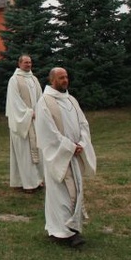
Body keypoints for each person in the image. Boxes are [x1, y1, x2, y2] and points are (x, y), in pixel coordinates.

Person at [34, 67, 96, 247]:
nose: (65, 80)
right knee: (61, 195)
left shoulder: (71, 100)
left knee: (75, 192)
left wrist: (82, 144)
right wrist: (69, 146)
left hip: (73, 155)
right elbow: (48, 132)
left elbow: (84, 124)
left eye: (66, 77)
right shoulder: (44, 102)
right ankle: (63, 232)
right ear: (52, 80)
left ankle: (71, 230)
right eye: (61, 78)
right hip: (58, 157)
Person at [6, 54, 44, 192]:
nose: (28, 65)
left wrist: (40, 111)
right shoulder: (14, 80)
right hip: (22, 122)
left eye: (30, 62)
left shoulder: (34, 79)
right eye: (26, 62)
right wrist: (28, 113)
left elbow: (41, 98)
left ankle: (38, 179)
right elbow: (13, 101)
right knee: (24, 155)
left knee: (37, 151)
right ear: (19, 63)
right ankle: (27, 183)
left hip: (35, 121)